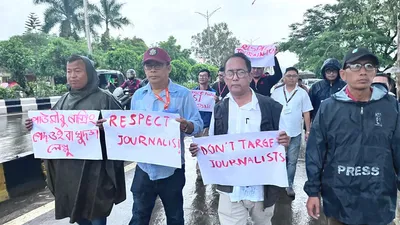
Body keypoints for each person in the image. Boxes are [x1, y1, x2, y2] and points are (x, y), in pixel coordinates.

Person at [189, 53, 290, 225]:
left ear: (250, 76)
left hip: (261, 188)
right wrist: (200, 150)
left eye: (241, 72)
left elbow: (282, 145)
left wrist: (284, 143)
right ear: (225, 77)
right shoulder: (219, 109)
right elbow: (213, 144)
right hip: (230, 190)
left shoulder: (271, 107)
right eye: (230, 73)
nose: (235, 77)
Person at [25, 55, 126, 225]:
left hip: (97, 173)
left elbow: (125, 130)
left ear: (90, 73)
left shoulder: (105, 98)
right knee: (78, 214)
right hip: (70, 173)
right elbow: (52, 130)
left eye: (77, 71)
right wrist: (34, 125)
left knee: (97, 214)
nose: (72, 75)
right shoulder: (64, 100)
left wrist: (109, 126)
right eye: (69, 71)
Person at [304, 47, 400, 225]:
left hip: (379, 197)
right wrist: (312, 192)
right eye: (355, 66)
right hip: (339, 198)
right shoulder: (328, 108)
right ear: (343, 74)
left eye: (369, 66)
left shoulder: (390, 106)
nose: (363, 71)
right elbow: (315, 152)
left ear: (375, 72)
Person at [127, 47, 203, 225]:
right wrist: (110, 126)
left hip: (171, 169)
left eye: (158, 65)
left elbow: (197, 124)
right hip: (144, 168)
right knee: (139, 216)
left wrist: (186, 125)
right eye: (148, 66)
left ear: (168, 68)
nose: (152, 70)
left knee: (175, 217)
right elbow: (130, 126)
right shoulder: (138, 96)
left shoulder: (183, 94)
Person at [271, 67, 313, 199]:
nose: (291, 78)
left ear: (298, 78)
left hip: (295, 132)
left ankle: (289, 184)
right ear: (284, 77)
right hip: (279, 133)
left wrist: (308, 130)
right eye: (289, 75)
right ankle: (278, 183)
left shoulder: (302, 93)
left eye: (294, 76)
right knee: (279, 160)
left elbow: (306, 113)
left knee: (292, 161)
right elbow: (271, 111)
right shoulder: (276, 92)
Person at [193, 68, 217, 137]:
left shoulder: (213, 93)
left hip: (208, 125)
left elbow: (217, 108)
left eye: (204, 76)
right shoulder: (193, 93)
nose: (201, 78)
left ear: (209, 78)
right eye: (200, 76)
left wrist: (217, 101)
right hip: (196, 124)